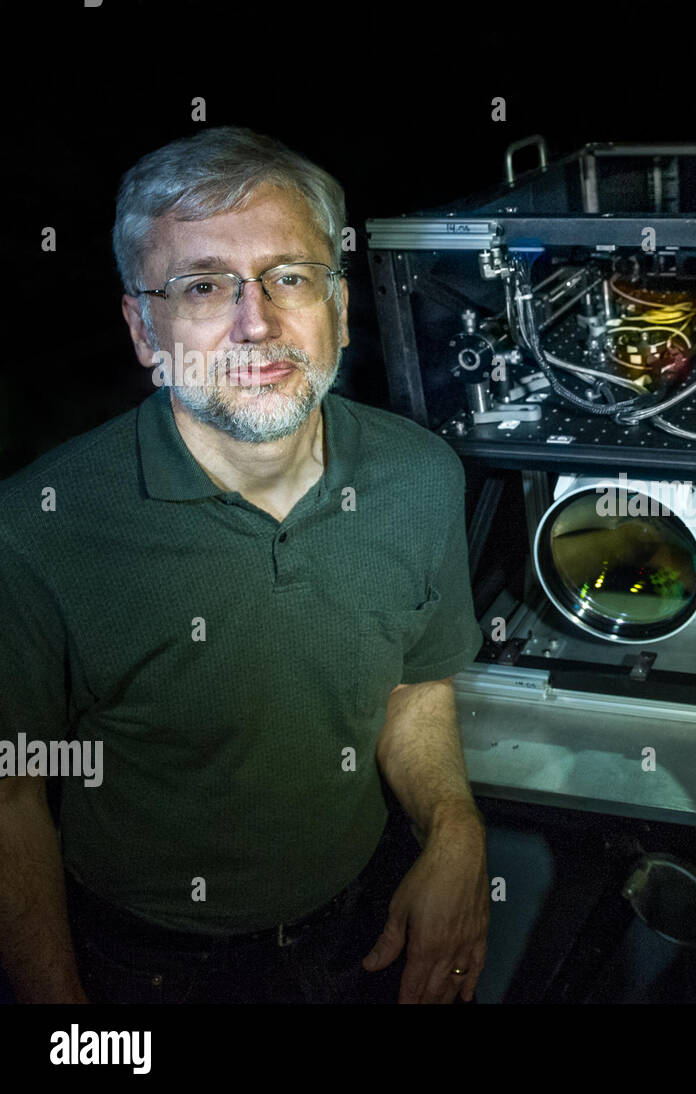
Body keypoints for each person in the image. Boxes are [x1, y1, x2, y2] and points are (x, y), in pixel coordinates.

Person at [0, 127, 489, 1004]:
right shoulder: (37, 532)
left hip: (361, 928)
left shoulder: (422, 477)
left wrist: (455, 834)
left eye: (289, 277)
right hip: (149, 965)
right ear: (145, 330)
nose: (255, 321)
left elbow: (414, 683)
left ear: (338, 307)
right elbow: (10, 801)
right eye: (202, 287)